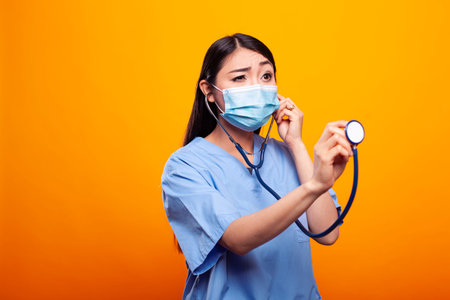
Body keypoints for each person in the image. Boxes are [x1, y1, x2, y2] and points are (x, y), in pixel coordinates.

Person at [161, 33, 353, 300]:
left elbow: (328, 233)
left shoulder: (286, 153)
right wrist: (313, 186)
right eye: (240, 78)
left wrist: (296, 145)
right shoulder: (184, 167)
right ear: (209, 91)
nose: (257, 87)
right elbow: (238, 239)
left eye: (266, 76)